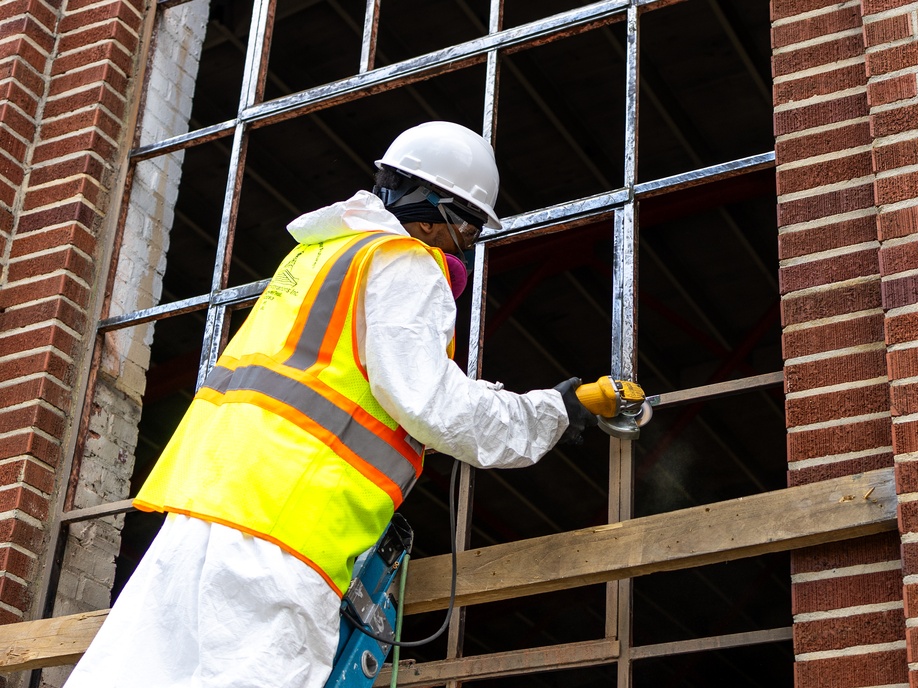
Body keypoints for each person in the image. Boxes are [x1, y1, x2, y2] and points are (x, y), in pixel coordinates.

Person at [64, 121, 597, 687]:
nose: (460, 247)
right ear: (434, 206)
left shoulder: (316, 259)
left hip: (200, 511)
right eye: (466, 230)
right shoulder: (403, 262)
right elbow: (429, 401)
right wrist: (551, 415)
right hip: (284, 530)